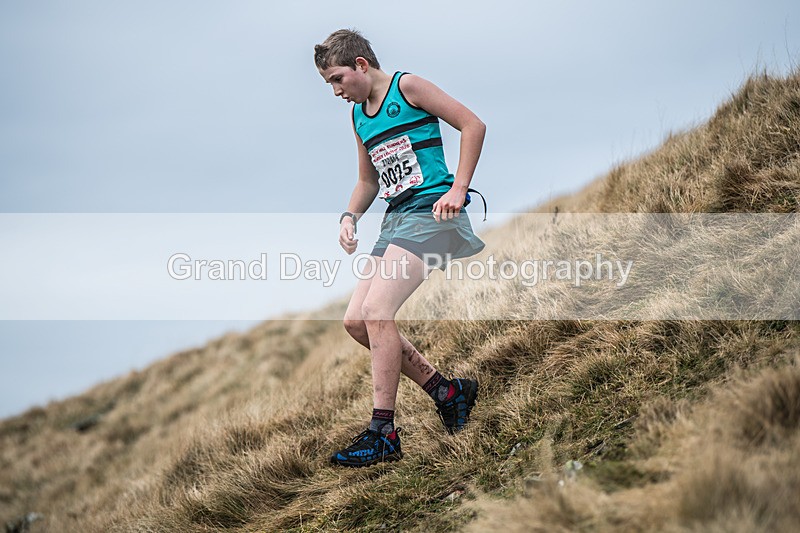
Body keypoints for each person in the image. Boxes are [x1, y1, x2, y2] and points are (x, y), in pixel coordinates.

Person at [314, 29, 486, 467]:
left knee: (378, 313)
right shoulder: (358, 117)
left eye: (337, 79)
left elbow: (473, 125)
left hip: (433, 212)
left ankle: (383, 431)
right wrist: (349, 216)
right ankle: (448, 393)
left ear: (360, 65)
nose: (335, 91)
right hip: (396, 220)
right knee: (356, 322)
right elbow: (368, 181)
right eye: (328, 84)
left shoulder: (406, 87)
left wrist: (459, 190)